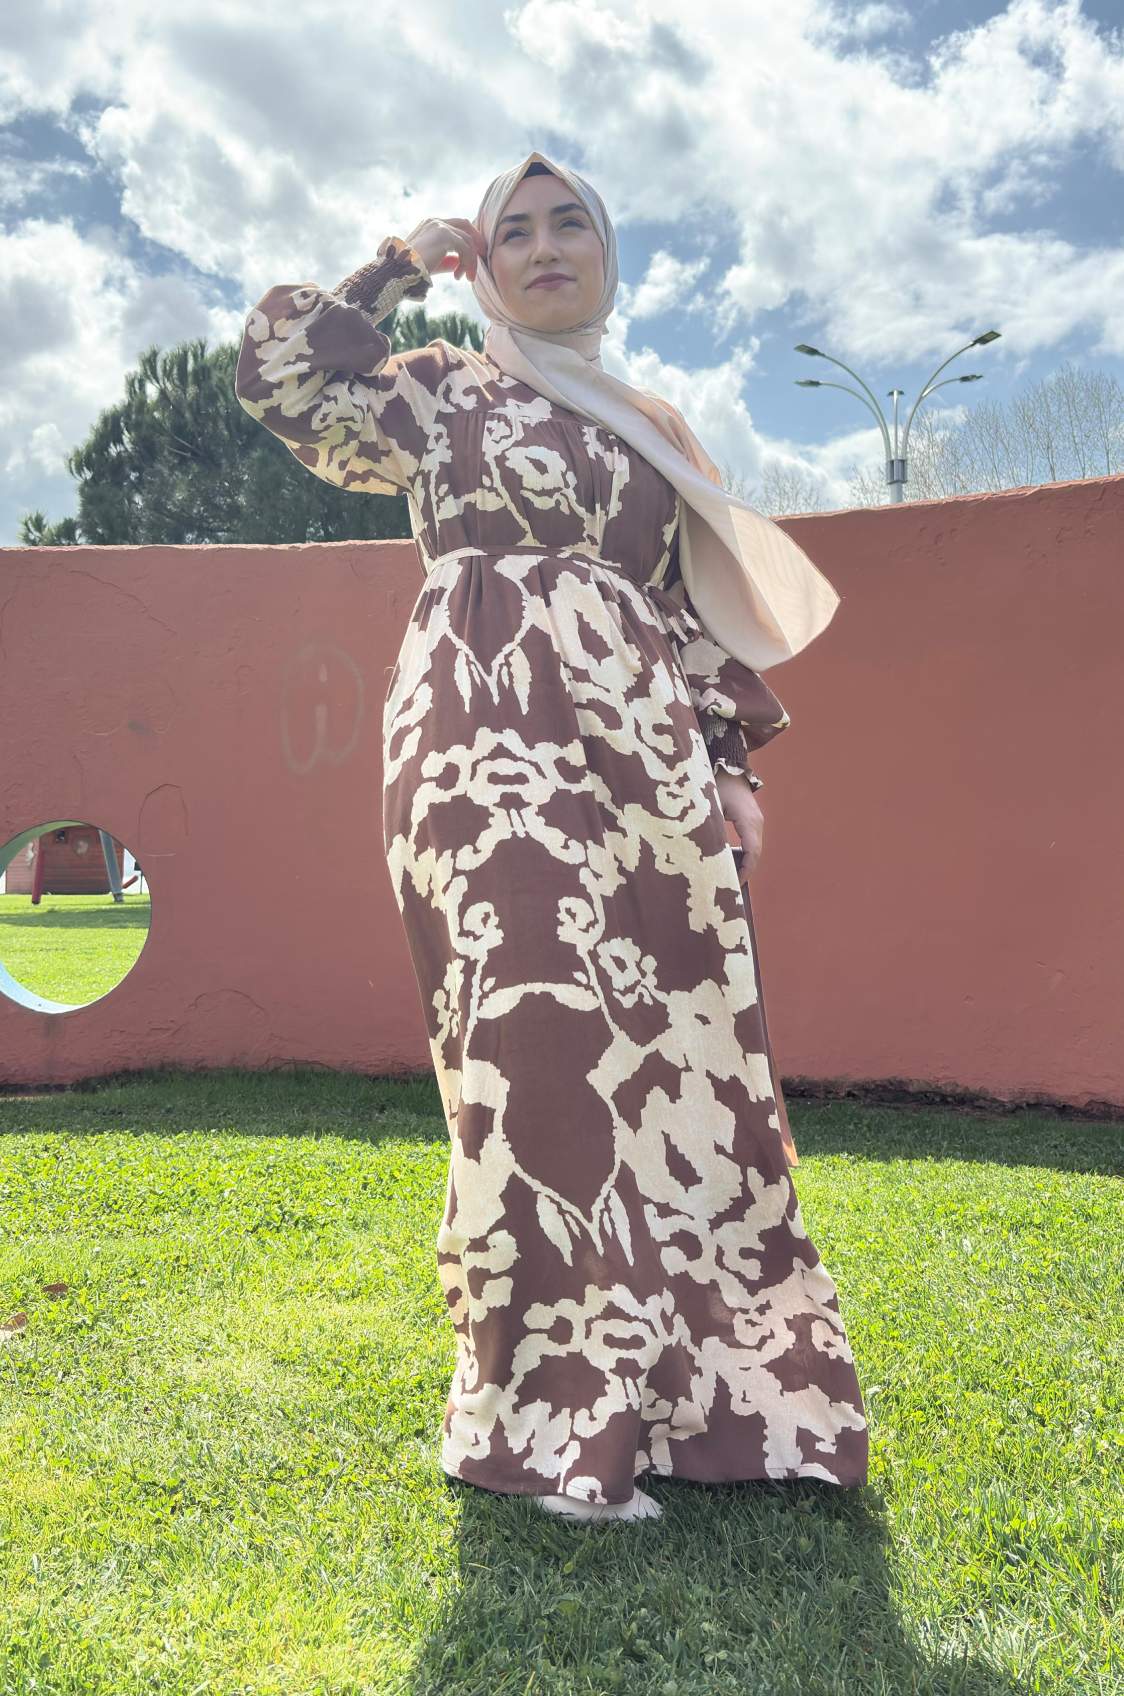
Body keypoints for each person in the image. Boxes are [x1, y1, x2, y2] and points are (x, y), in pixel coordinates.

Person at [234, 150, 869, 1526]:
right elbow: (282, 383)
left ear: (607, 254)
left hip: (647, 755)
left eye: (567, 222)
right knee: (534, 1044)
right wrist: (392, 268)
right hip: (484, 737)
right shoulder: (439, 393)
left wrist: (728, 768)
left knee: (684, 1054)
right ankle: (558, 1414)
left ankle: (712, 1397)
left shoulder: (653, 429)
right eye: (510, 229)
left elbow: (687, 609)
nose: (540, 246)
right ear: (483, 262)